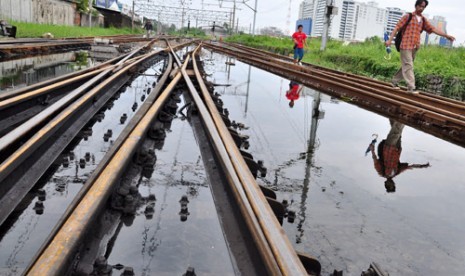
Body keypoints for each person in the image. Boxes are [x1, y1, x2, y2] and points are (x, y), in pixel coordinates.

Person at [385, 0, 455, 94]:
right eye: (420, 6)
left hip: (415, 46)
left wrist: (446, 36)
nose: (421, 8)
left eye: (423, 7)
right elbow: (397, 27)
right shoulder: (408, 16)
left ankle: (394, 81)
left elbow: (433, 29)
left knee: (406, 65)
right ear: (416, 6)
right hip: (405, 45)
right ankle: (411, 87)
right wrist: (389, 40)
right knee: (409, 65)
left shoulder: (423, 20)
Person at [370, 119, 430, 193]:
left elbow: (375, 160)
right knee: (397, 132)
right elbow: (409, 167)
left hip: (388, 147)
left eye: (390, 185)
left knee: (396, 131)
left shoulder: (381, 172)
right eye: (393, 185)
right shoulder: (396, 172)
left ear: (386, 184)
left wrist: (372, 149)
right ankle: (393, 114)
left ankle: (403, 116)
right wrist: (422, 166)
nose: (392, 184)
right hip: (397, 148)